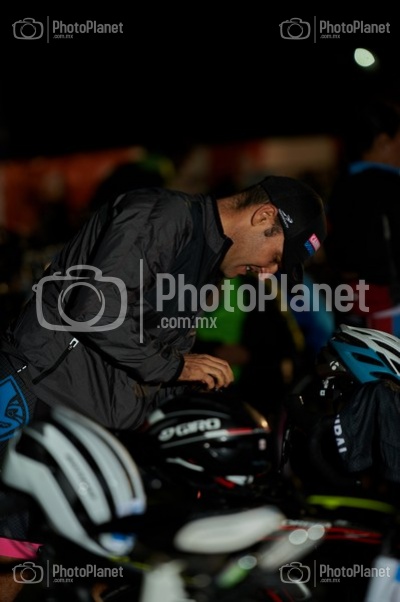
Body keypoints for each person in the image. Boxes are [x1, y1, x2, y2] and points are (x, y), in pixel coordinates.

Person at [0, 174, 326, 600]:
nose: (268, 274)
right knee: (12, 557)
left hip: (90, 422)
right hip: (37, 395)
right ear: (264, 216)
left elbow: (153, 367)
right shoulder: (163, 215)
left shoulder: (209, 268)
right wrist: (179, 367)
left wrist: (200, 415)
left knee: (70, 567)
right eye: (275, 258)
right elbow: (97, 311)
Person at [325, 95, 400, 332]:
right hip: (390, 310)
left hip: (349, 307)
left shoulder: (340, 186)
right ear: (383, 142)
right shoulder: (391, 186)